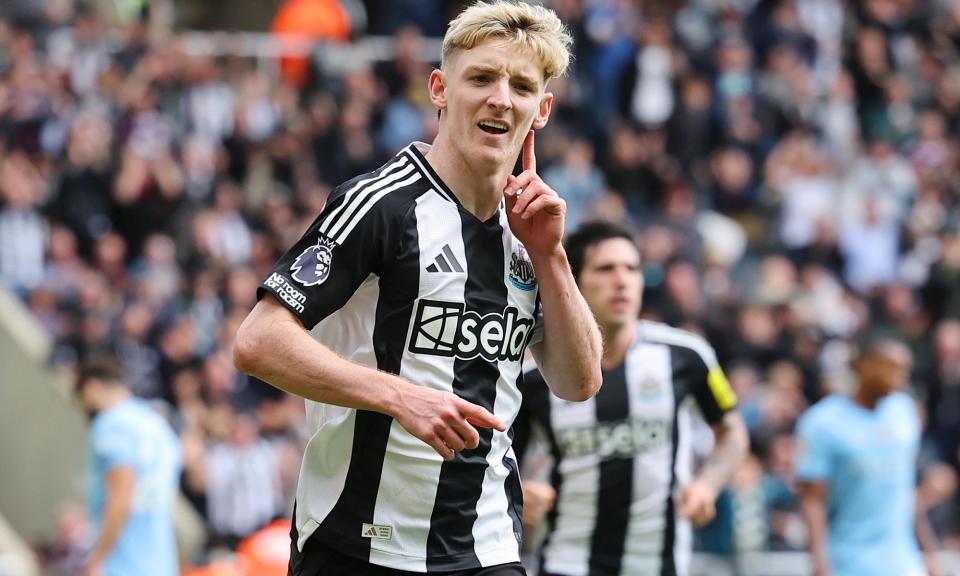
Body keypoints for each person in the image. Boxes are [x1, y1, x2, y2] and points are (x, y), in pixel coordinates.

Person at [232, 2, 603, 575]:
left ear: (543, 108)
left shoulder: (533, 227)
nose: (501, 98)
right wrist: (399, 396)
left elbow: (578, 381)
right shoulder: (381, 203)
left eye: (522, 86)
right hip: (356, 543)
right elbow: (258, 342)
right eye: (481, 78)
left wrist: (551, 254)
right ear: (440, 89)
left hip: (486, 548)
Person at [514, 221, 749, 576]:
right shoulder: (533, 378)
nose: (622, 281)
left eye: (632, 269)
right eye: (606, 269)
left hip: (660, 566)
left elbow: (732, 433)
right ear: (573, 281)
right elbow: (500, 462)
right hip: (567, 564)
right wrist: (520, 492)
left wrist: (708, 483)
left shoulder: (689, 355)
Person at [796, 338, 941, 576]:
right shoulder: (823, 423)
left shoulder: (905, 413)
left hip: (904, 563)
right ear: (863, 365)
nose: (900, 376)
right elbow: (812, 500)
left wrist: (929, 553)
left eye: (905, 369)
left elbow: (905, 490)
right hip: (849, 563)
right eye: (891, 367)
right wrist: (819, 565)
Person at [74, 357, 183, 576]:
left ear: (91, 387)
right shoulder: (157, 425)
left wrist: (97, 558)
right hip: (160, 562)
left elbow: (121, 498)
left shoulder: (111, 425)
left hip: (123, 561)